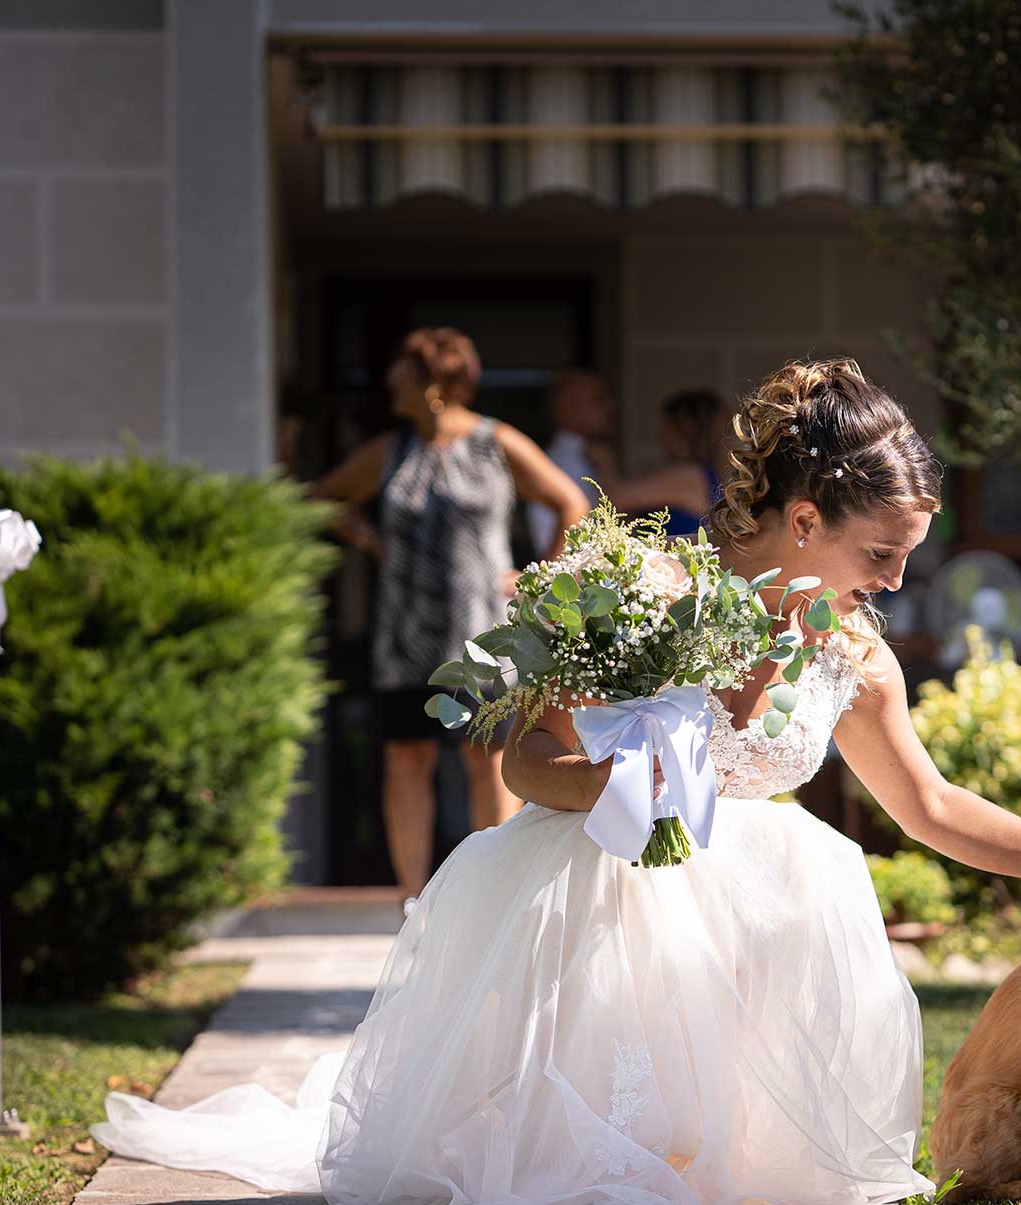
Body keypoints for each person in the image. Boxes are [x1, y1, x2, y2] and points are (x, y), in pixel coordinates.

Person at [92, 357, 1021, 1205]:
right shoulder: (640, 593)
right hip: (606, 904)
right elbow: (522, 761)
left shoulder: (854, 657)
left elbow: (933, 806)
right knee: (573, 1180)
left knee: (735, 1171)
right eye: (881, 553)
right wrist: (625, 783)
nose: (896, 578)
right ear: (802, 519)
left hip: (758, 933)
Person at [310, 327, 589, 894]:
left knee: (486, 752)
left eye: (400, 370)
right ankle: (412, 901)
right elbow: (323, 500)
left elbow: (571, 502)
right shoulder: (391, 450)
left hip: (480, 627)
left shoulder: (495, 442)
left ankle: (499, 891)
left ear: (432, 379)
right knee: (406, 757)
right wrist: (368, 540)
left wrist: (540, 576)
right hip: (404, 632)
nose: (389, 380)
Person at [591, 387, 728, 542]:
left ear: (684, 429)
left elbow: (615, 498)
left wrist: (605, 462)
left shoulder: (689, 475)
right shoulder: (703, 473)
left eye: (667, 429)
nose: (662, 438)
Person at [525, 367, 617, 553]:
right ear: (568, 406)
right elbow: (547, 536)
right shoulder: (556, 464)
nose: (610, 407)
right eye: (597, 399)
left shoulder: (596, 456)